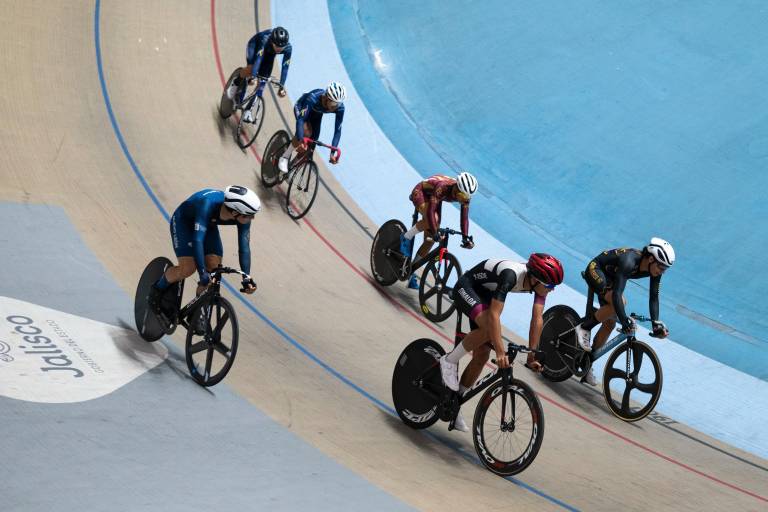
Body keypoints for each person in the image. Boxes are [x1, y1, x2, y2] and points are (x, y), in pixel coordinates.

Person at [440, 253, 564, 432]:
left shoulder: (538, 285)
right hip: (467, 287)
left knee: (481, 356)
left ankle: (454, 402)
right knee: (487, 329)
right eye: (550, 285)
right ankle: (449, 361)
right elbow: (494, 315)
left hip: (485, 294)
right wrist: (499, 351)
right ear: (536, 279)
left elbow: (537, 318)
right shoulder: (510, 275)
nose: (552, 290)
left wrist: (532, 355)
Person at [148, 186, 260, 327]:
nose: (252, 218)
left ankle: (196, 311)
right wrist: (201, 273)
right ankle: (156, 291)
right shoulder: (207, 203)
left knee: (213, 270)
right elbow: (197, 241)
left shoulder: (243, 216)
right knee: (188, 268)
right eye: (249, 215)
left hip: (207, 224)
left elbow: (244, 248)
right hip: (184, 222)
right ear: (234, 211)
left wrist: (246, 277)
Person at [573, 238, 675, 386]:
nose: (662, 272)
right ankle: (584, 327)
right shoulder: (629, 260)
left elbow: (654, 297)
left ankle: (587, 363)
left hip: (611, 277)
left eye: (665, 269)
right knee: (621, 302)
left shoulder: (655, 270)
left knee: (609, 324)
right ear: (651, 258)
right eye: (662, 268)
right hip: (596, 269)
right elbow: (616, 295)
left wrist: (656, 324)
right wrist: (625, 320)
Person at [399, 172, 478, 288]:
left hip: (435, 197)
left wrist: (465, 237)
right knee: (433, 221)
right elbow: (430, 212)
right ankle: (406, 237)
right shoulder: (442, 187)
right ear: (457, 188)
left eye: (467, 197)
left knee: (430, 241)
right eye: (462, 196)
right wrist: (435, 232)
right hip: (421, 191)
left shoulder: (465, 196)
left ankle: (410, 271)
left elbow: (464, 218)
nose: (464, 199)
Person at [277, 81, 346, 175]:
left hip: (316, 116)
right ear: (327, 98)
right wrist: (301, 140)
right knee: (306, 132)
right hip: (302, 108)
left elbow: (337, 132)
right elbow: (301, 120)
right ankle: (284, 157)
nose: (336, 107)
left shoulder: (339, 108)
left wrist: (332, 153)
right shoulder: (313, 98)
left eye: (338, 104)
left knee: (310, 147)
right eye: (334, 104)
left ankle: (291, 167)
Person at [226, 27, 292, 123]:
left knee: (262, 82)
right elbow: (259, 59)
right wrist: (253, 76)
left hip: (269, 54)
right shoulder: (265, 39)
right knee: (251, 68)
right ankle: (236, 83)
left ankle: (248, 110)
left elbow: (285, 68)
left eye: (281, 47)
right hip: (255, 45)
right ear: (272, 41)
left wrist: (281, 86)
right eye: (277, 46)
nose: (279, 49)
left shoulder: (288, 48)